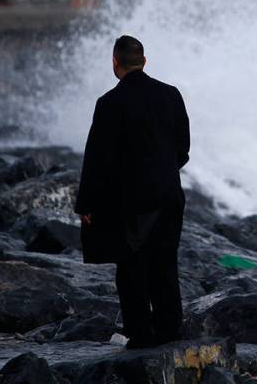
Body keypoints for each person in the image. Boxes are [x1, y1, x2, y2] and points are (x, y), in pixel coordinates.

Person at [75, 35, 190, 350]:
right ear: (144, 61)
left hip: (132, 201)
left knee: (132, 267)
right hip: (170, 195)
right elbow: (183, 149)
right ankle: (169, 329)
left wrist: (86, 204)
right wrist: (162, 171)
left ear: (115, 63)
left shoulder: (110, 103)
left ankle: (141, 335)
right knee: (165, 263)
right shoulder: (171, 95)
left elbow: (97, 159)